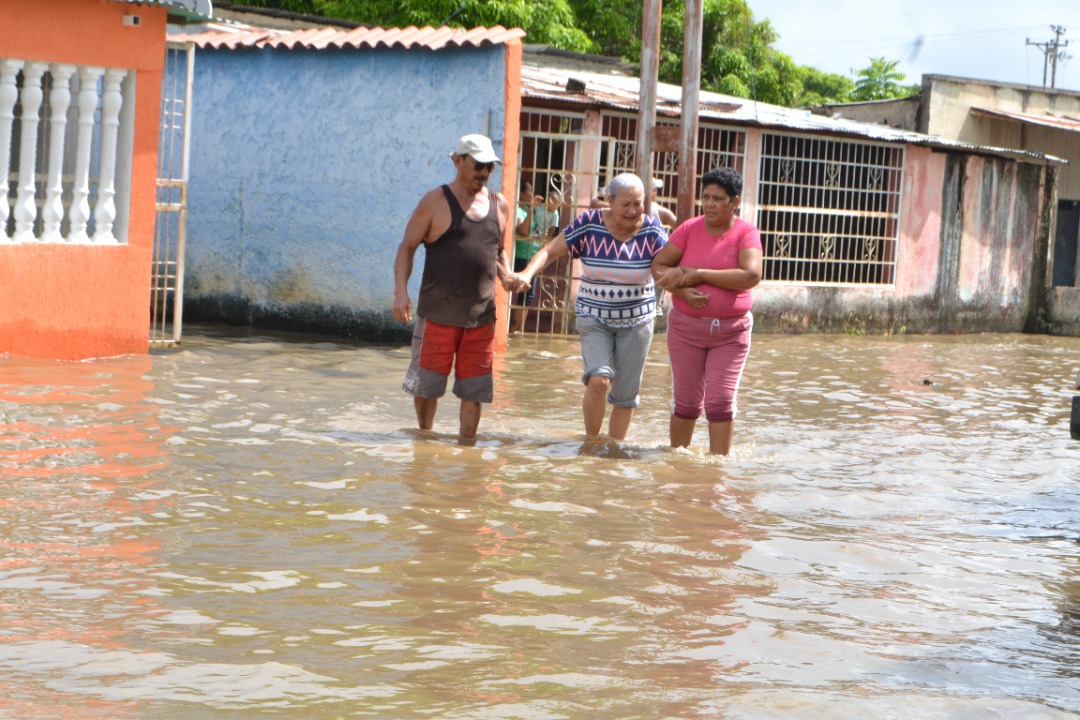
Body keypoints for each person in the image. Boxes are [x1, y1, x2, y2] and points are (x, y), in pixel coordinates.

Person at [513, 173, 667, 440]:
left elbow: (671, 266)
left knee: (625, 395)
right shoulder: (589, 223)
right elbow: (550, 250)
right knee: (599, 379)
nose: (633, 211)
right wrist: (527, 274)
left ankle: (612, 451)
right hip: (594, 316)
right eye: (626, 204)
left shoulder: (653, 230)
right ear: (609, 200)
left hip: (638, 320)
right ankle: (592, 444)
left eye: (638, 204)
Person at [392, 133, 527, 438]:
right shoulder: (435, 201)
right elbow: (406, 248)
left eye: (489, 167)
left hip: (480, 318)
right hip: (437, 316)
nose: (483, 172)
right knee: (427, 388)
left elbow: (497, 252)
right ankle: (425, 441)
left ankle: (468, 451)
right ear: (457, 161)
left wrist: (506, 276)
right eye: (478, 164)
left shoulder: (500, 205)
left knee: (474, 392)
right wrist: (400, 292)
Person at [651, 166, 762, 455]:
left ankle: (718, 470)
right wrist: (679, 289)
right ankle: (678, 464)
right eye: (706, 197)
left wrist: (699, 274)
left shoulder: (745, 233)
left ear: (734, 202)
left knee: (721, 402)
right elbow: (659, 266)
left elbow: (751, 275)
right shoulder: (689, 229)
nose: (709, 204)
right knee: (686, 402)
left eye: (718, 198)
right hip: (686, 330)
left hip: (730, 333)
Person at [510, 179, 543, 334]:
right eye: (529, 191)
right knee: (524, 296)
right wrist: (531, 210)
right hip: (523, 256)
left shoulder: (529, 209)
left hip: (532, 255)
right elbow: (523, 231)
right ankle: (512, 331)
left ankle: (519, 330)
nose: (532, 193)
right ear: (522, 194)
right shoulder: (520, 210)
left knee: (528, 297)